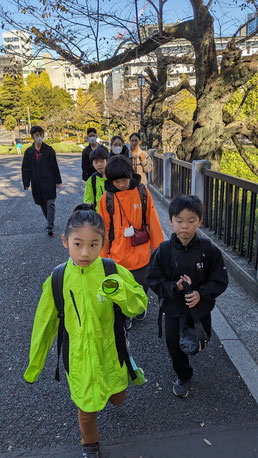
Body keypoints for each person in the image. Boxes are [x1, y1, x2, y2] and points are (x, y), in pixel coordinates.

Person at [24, 204, 148, 458]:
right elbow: (44, 324)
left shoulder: (111, 270)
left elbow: (139, 304)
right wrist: (35, 365)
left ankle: (115, 393)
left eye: (93, 244)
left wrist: (119, 292)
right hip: (78, 357)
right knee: (86, 407)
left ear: (103, 242)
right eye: (78, 243)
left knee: (117, 397)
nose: (85, 252)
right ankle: (89, 443)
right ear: (65, 241)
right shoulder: (58, 279)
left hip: (111, 352)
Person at [147, 195, 228, 398]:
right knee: (174, 345)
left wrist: (201, 294)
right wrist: (175, 287)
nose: (185, 227)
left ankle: (190, 351)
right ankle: (184, 376)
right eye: (179, 221)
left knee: (199, 341)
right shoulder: (163, 251)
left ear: (200, 221)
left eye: (191, 221)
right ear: (171, 221)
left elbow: (220, 280)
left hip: (199, 311)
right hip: (173, 310)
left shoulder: (208, 250)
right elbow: (153, 279)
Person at [98, 156, 164, 329]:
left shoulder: (142, 192)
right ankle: (126, 313)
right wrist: (102, 259)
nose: (122, 184)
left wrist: (161, 252)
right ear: (111, 180)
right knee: (122, 288)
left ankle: (140, 305)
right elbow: (102, 231)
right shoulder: (106, 199)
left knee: (143, 283)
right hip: (117, 255)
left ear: (131, 176)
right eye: (118, 181)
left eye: (125, 180)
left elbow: (153, 223)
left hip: (141, 253)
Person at [22, 126, 62, 236]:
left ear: (43, 135)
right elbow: (26, 168)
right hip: (36, 183)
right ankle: (49, 220)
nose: (38, 137)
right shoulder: (28, 152)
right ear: (32, 137)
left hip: (49, 182)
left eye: (40, 135)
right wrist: (26, 183)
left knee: (50, 204)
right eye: (36, 135)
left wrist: (58, 181)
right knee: (43, 204)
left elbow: (54, 166)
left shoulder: (49, 150)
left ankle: (50, 225)